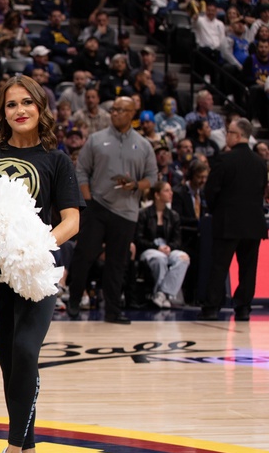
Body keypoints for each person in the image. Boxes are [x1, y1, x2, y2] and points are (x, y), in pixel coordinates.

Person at [0, 73, 81, 453]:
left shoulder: (56, 159)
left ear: (40, 107)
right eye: (11, 104)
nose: (20, 111)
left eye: (27, 103)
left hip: (35, 271)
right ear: (3, 111)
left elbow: (72, 219)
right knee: (11, 364)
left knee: (28, 353)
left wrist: (34, 243)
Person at [66, 96, 158, 324]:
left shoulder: (144, 144)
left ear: (132, 114)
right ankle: (74, 301)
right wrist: (88, 201)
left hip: (126, 211)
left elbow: (152, 178)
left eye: (121, 110)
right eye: (114, 109)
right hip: (97, 207)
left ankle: (113, 311)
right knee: (83, 257)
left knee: (117, 263)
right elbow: (82, 172)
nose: (115, 113)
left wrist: (136, 185)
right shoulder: (96, 140)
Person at [199, 117, 268, 321]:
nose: (226, 135)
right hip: (254, 223)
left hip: (228, 222)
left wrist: (216, 209)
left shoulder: (224, 159)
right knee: (248, 268)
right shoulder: (260, 162)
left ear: (238, 136)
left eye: (229, 132)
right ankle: (244, 308)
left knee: (220, 265)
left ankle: (212, 308)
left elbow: (211, 190)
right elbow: (262, 190)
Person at [135, 181, 189, 309]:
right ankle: (164, 294)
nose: (171, 193)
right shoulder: (143, 214)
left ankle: (161, 294)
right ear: (157, 195)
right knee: (159, 259)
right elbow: (139, 239)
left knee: (183, 258)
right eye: (167, 190)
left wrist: (170, 247)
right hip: (150, 249)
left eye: (171, 190)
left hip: (167, 249)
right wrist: (157, 247)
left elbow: (177, 240)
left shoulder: (173, 215)